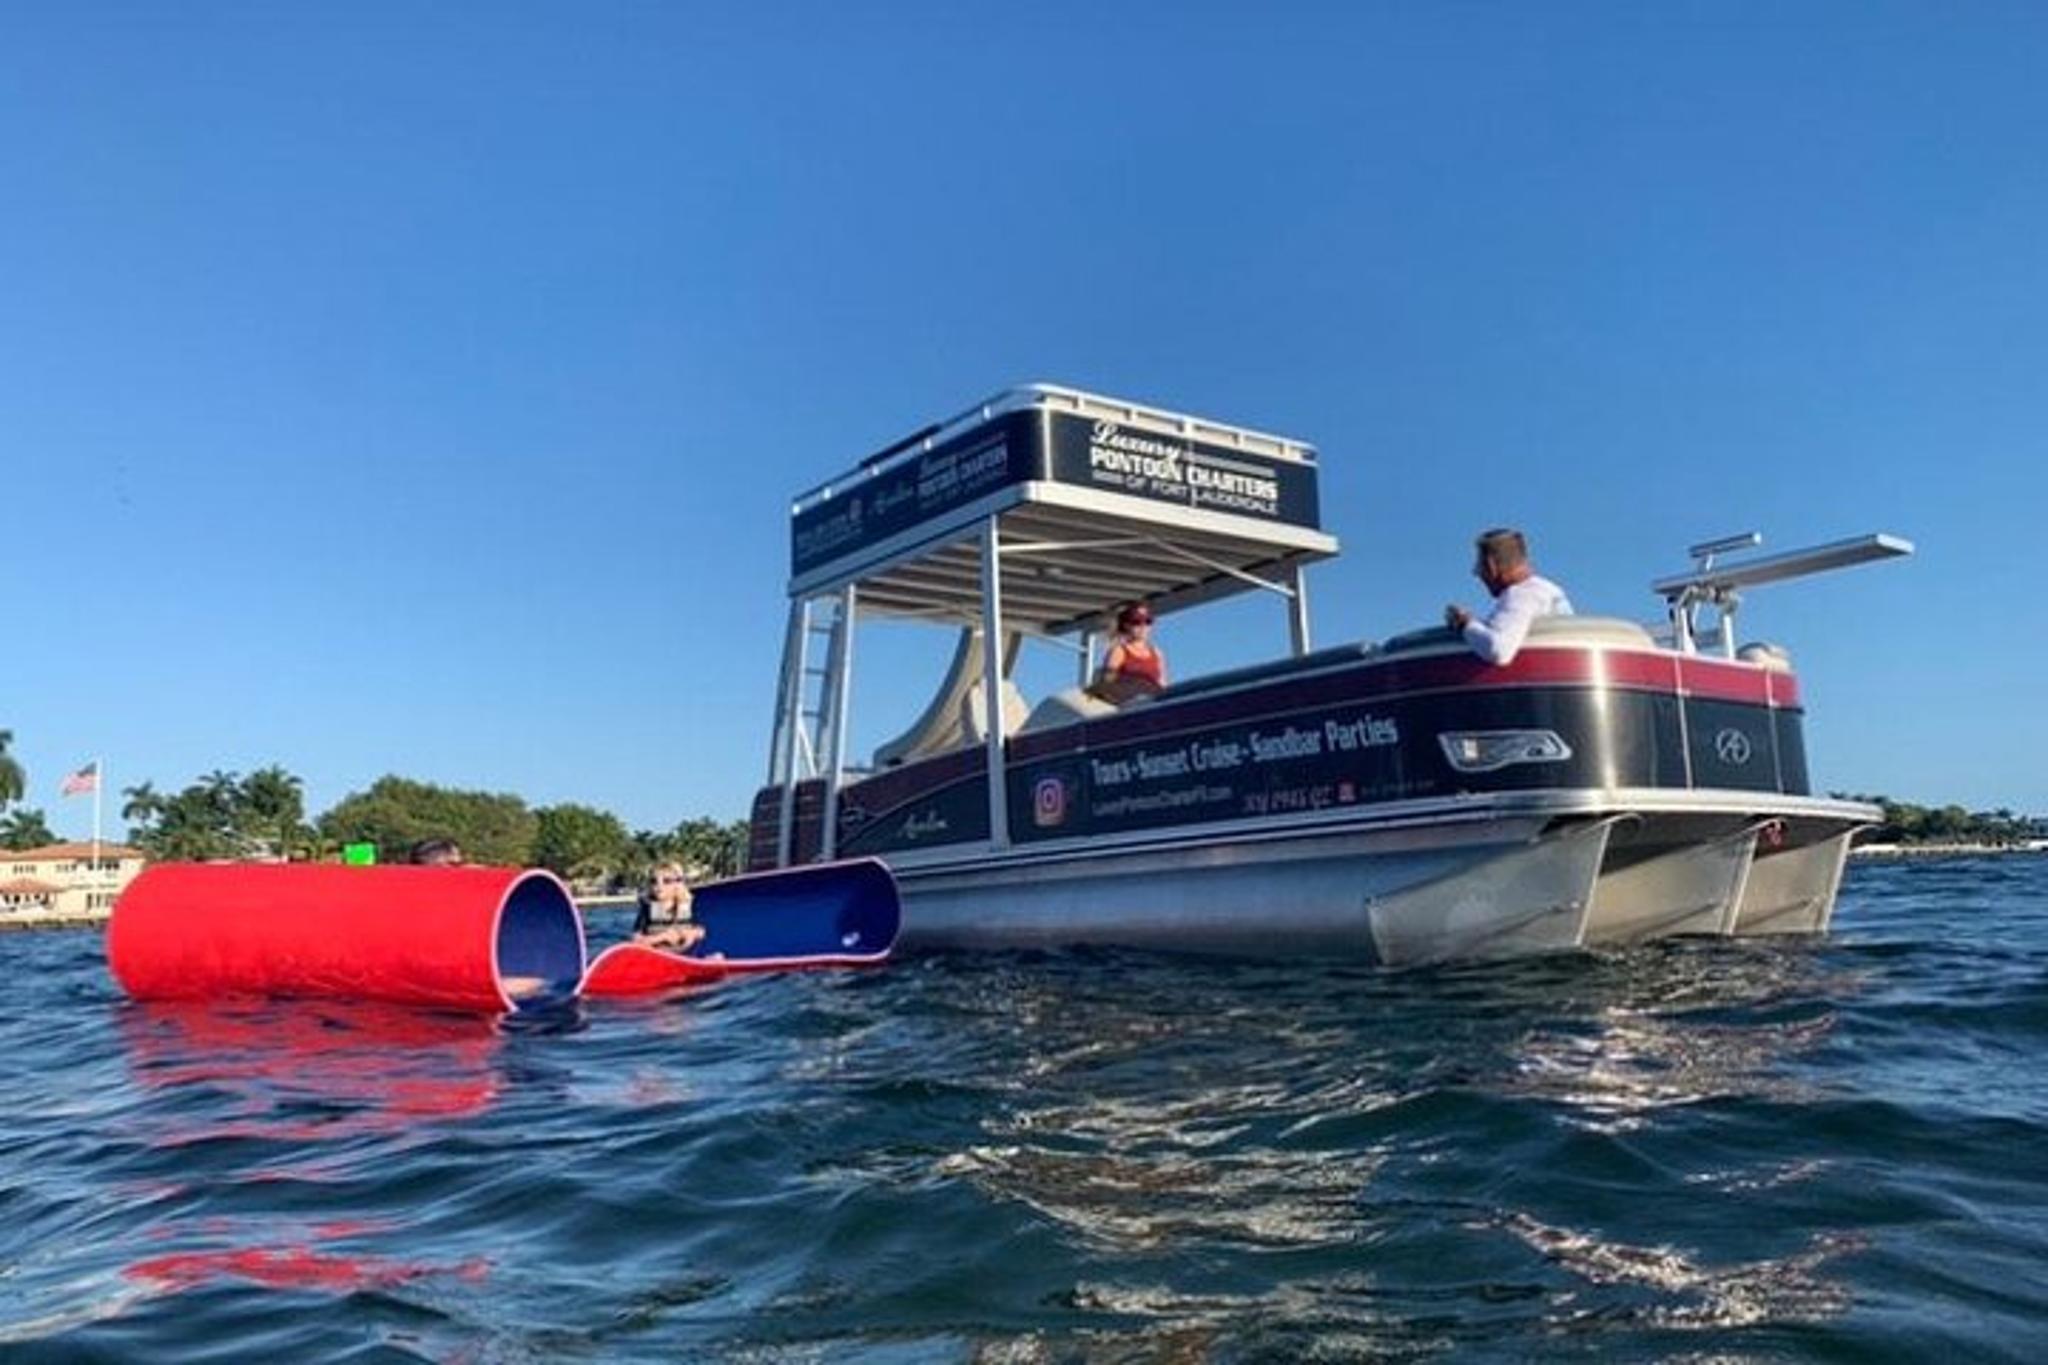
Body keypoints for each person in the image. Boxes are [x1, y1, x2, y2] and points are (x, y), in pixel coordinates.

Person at [1444, 528, 1573, 666]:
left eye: (1479, 566)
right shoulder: (1550, 590)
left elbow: (1498, 650)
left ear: (1491, 566)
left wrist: (1465, 624)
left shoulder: (1520, 595)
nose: (1477, 574)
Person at [1090, 602, 1168, 704]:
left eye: (1147, 622)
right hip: (1128, 707)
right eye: (1136, 622)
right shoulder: (1119, 651)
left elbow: (1163, 685)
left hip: (1153, 707)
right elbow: (1107, 684)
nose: (1143, 626)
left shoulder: (1157, 653)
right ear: (1126, 625)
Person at [632, 860, 706, 951]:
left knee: (717, 956)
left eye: (666, 881)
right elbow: (636, 940)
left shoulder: (687, 905)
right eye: (654, 881)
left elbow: (701, 931)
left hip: (684, 956)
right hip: (656, 957)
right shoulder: (648, 908)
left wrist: (692, 933)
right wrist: (662, 937)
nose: (659, 886)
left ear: (678, 883)